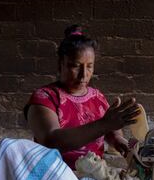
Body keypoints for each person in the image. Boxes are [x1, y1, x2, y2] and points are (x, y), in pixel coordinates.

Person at [24, 25, 140, 170]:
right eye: (76, 66)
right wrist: (104, 124)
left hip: (94, 175)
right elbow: (51, 140)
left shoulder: (97, 97)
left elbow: (112, 132)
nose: (84, 74)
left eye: (89, 66)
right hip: (53, 177)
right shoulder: (45, 98)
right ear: (61, 64)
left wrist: (118, 140)